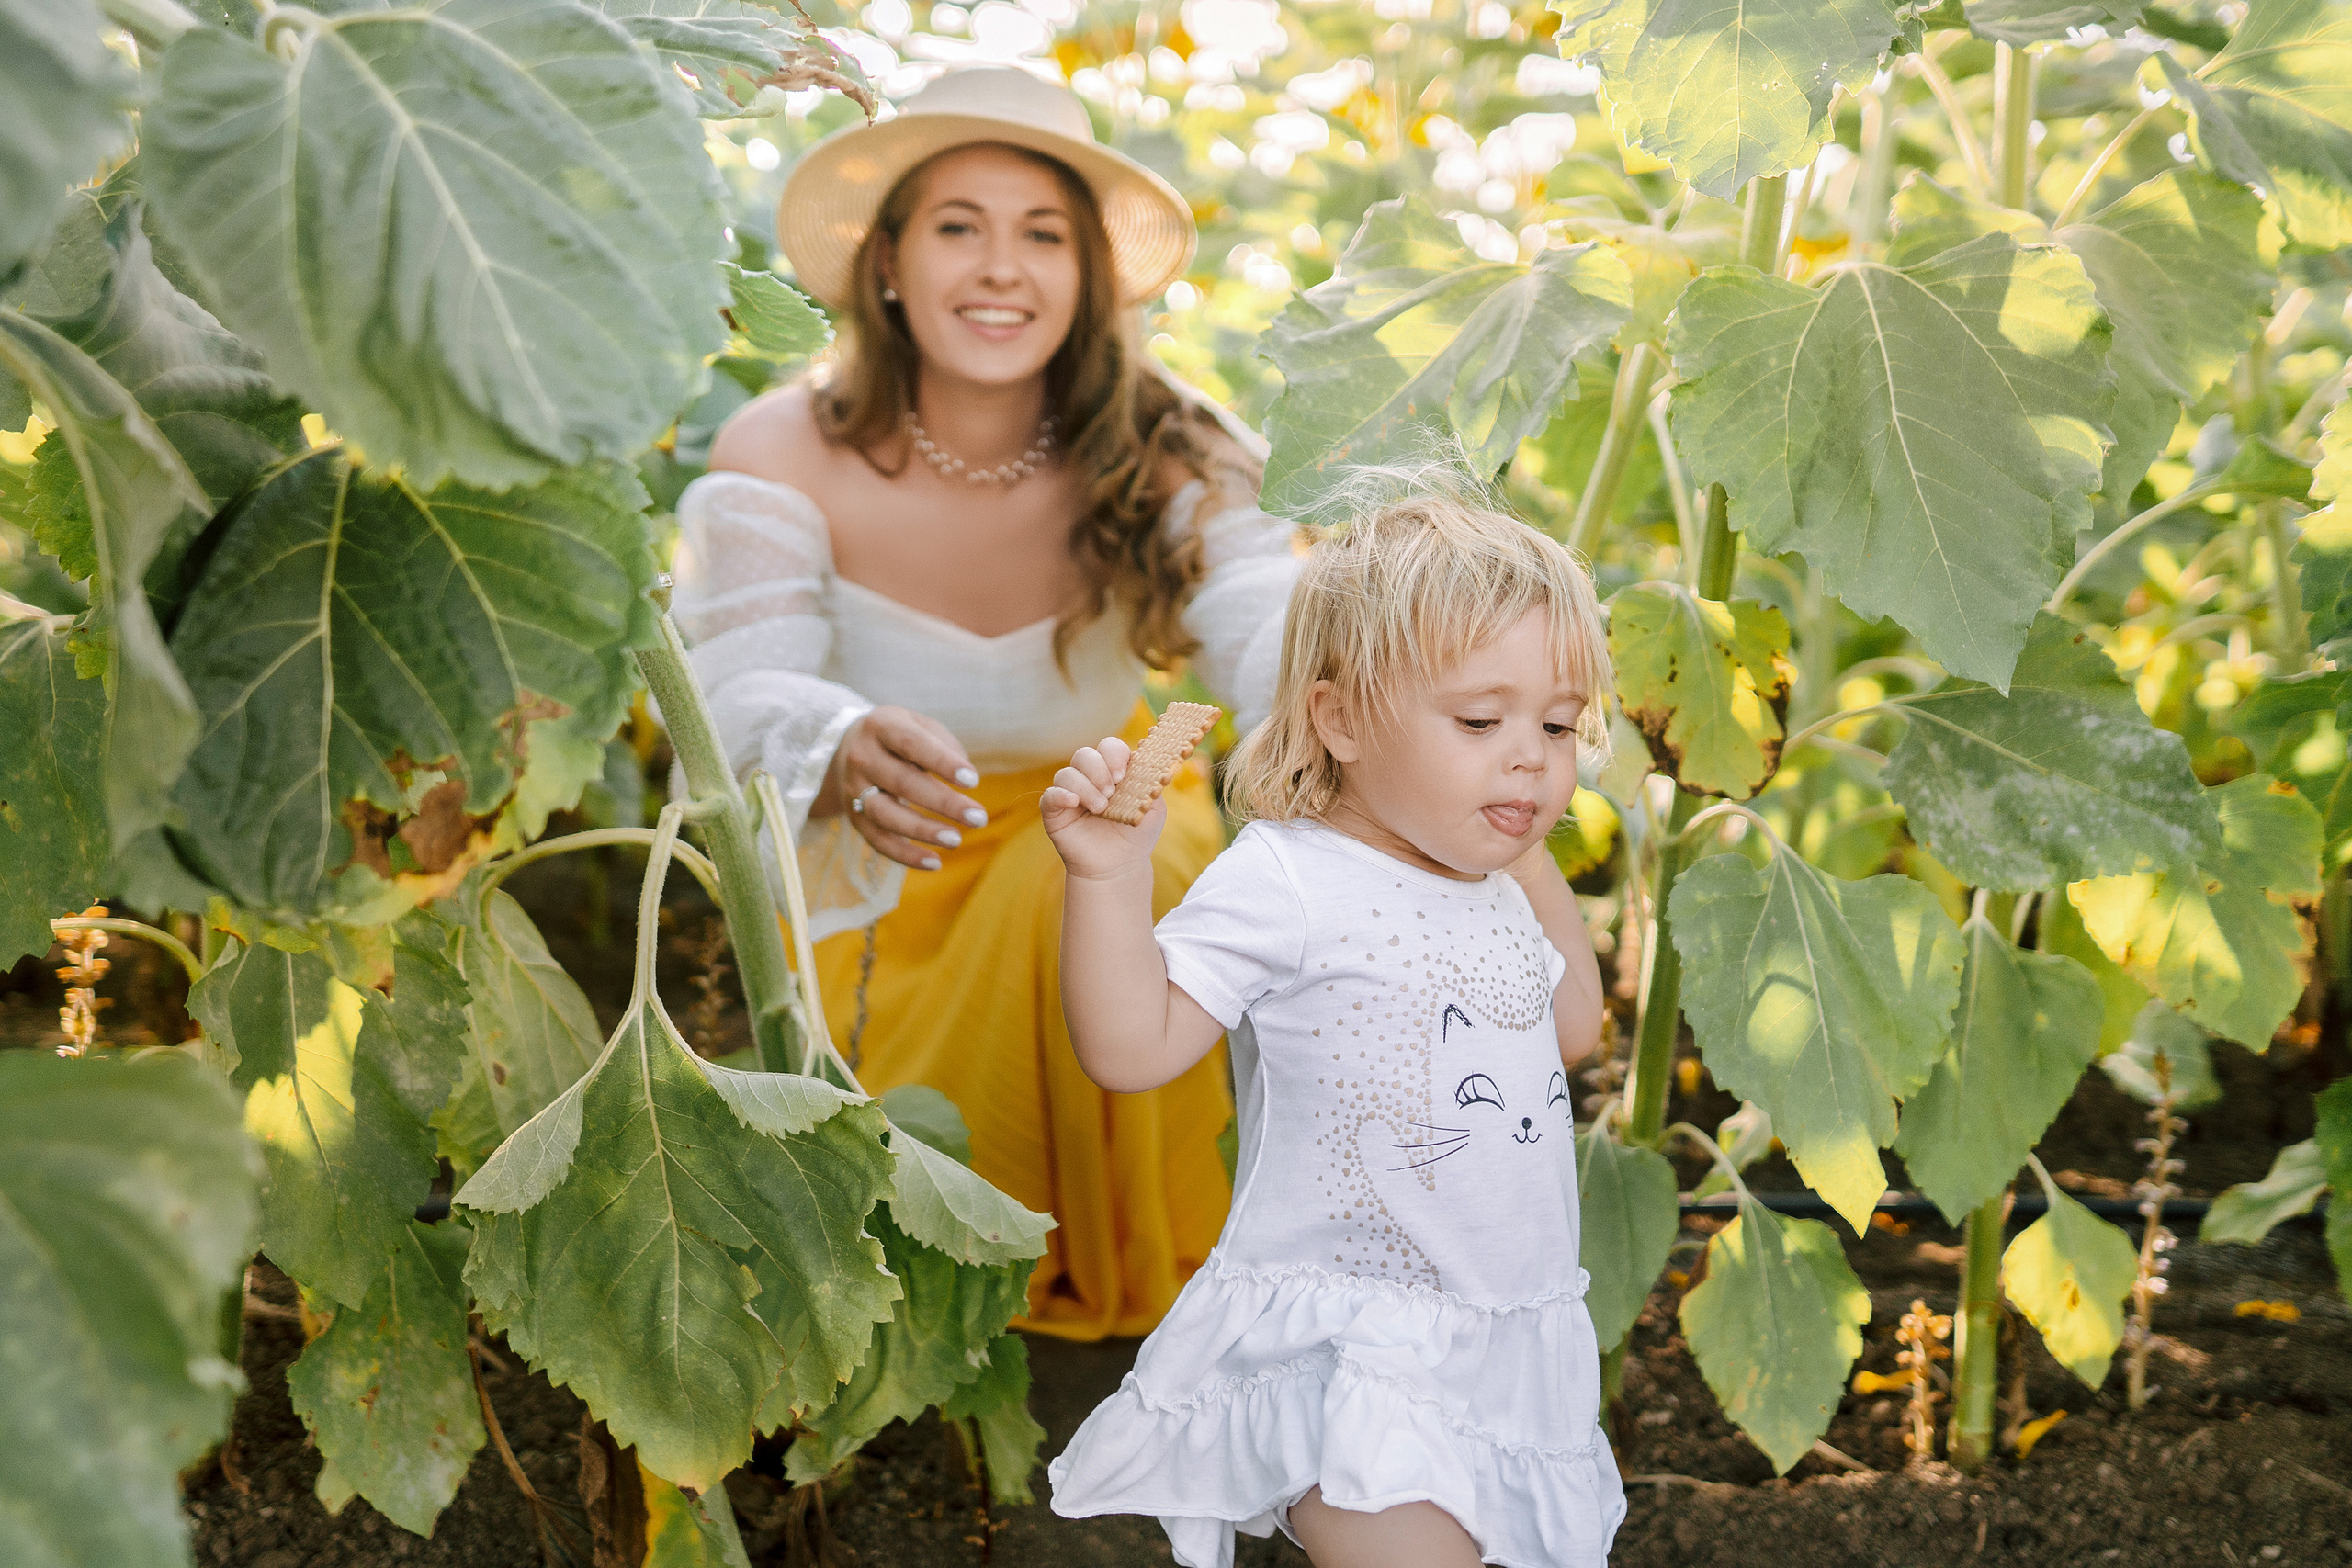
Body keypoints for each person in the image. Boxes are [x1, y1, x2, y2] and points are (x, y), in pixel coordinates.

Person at [668, 65, 1299, 1340]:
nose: (1001, 267)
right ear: (890, 262)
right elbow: (731, 682)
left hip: (1110, 832)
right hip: (896, 863)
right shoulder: (780, 451)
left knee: (1130, 862)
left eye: (1044, 234)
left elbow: (1268, 632)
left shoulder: (1176, 442)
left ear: (1090, 279)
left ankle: (1161, 1258)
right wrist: (836, 741)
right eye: (959, 225)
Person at [1038, 472, 1626, 1568]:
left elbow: (1568, 1030)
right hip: (1353, 1342)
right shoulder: (1292, 881)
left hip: (1508, 1344)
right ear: (1341, 715)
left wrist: (1522, 842)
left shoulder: (1492, 881)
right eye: (1482, 720)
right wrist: (1109, 879)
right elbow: (1131, 1047)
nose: (1532, 756)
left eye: (1556, 724)